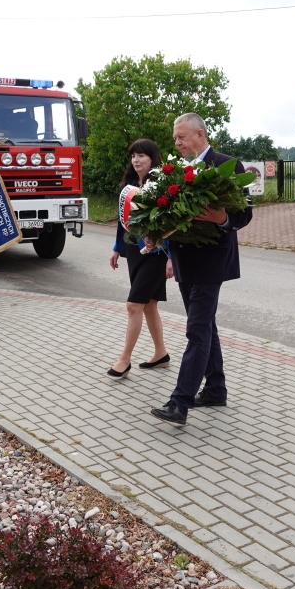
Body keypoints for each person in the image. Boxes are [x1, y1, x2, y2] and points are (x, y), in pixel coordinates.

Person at [150, 113, 252, 426]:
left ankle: (180, 403)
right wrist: (156, 234)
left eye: (181, 137)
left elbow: (244, 214)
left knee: (196, 330)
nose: (177, 144)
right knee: (206, 327)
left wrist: (222, 219)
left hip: (211, 261)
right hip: (184, 259)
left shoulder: (227, 164)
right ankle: (215, 390)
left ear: (199, 134)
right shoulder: (177, 172)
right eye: (175, 139)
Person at [107, 139, 174, 378]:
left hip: (156, 253)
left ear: (152, 158)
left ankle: (124, 360)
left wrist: (171, 257)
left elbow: (172, 224)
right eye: (133, 156)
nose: (136, 160)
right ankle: (161, 355)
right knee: (149, 305)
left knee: (134, 305)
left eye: (141, 156)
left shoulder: (162, 186)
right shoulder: (129, 187)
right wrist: (117, 248)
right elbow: (122, 220)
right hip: (135, 252)